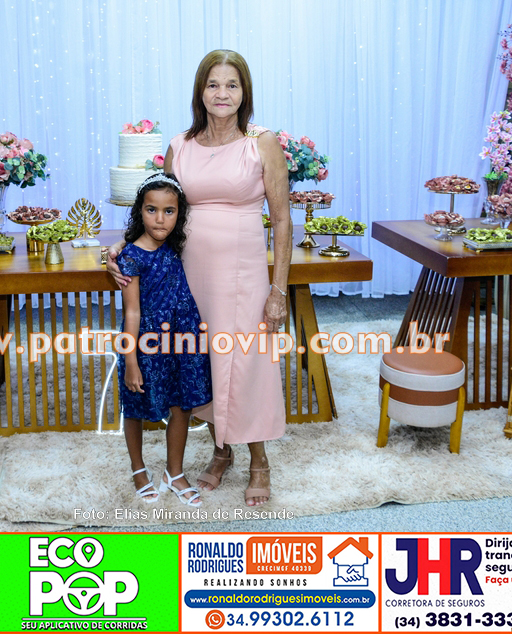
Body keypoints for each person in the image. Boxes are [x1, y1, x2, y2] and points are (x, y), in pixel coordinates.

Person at [110, 50, 292, 506]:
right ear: (200, 91)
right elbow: (160, 209)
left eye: (232, 84)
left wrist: (279, 289)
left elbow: (282, 221)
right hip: (186, 277)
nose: (222, 93)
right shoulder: (181, 145)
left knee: (247, 363)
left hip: (244, 276)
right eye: (213, 84)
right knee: (202, 363)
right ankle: (221, 451)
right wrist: (120, 249)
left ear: (244, 92)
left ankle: (259, 460)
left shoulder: (261, 143)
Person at [117, 173, 212, 507]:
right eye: (151, 210)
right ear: (139, 211)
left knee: (181, 406)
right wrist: (131, 361)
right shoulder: (132, 257)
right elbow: (132, 312)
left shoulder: (176, 245)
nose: (160, 219)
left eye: (169, 211)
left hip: (183, 341)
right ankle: (138, 469)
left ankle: (174, 472)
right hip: (146, 344)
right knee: (135, 407)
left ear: (179, 213)